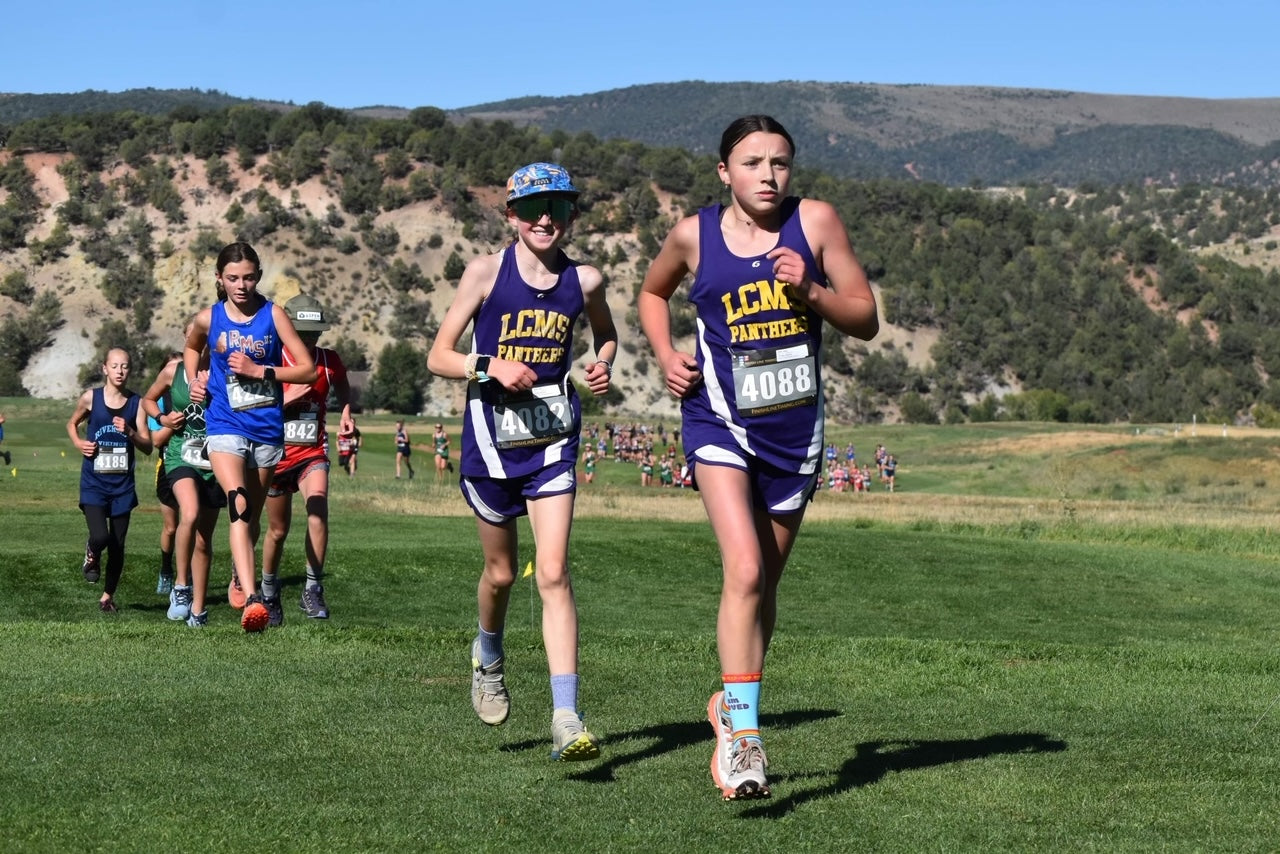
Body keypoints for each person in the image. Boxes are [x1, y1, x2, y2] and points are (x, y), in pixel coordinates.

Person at [638, 115, 878, 800]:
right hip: (718, 420)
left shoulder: (818, 224)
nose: (767, 175)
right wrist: (664, 356)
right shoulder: (694, 234)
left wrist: (812, 292)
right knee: (743, 571)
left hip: (793, 431)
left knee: (762, 587)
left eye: (779, 163)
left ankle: (729, 705)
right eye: (751, 163)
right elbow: (653, 292)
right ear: (724, 172)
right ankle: (744, 741)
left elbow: (865, 317)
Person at [427, 161, 617, 762]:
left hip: (553, 439)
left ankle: (567, 715)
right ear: (511, 215)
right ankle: (488, 652)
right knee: (504, 575)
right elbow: (439, 355)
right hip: (489, 442)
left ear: (571, 216)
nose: (545, 219)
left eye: (557, 208)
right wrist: (491, 366)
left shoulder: (585, 281)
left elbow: (606, 335)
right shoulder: (486, 272)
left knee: (555, 572)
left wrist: (601, 363)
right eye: (533, 209)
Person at [184, 242, 317, 633]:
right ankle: (255, 598)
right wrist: (196, 381)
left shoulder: (273, 315)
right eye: (232, 278)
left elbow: (307, 370)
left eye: (248, 277)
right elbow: (191, 348)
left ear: (258, 276)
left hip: (266, 429)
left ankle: (239, 574)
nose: (241, 286)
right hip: (225, 423)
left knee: (252, 517)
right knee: (238, 505)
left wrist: (262, 371)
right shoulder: (208, 319)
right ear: (219, 279)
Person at [261, 293, 352, 624]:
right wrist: (286, 399)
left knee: (318, 509)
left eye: (315, 333)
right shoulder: (272, 359)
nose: (310, 338)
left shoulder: (328, 361)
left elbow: (342, 385)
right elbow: (251, 405)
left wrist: (346, 411)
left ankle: (312, 589)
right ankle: (269, 593)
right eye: (303, 332)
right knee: (277, 530)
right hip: (275, 456)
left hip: (312, 452)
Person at [142, 326, 224, 627]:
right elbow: (148, 400)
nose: (199, 341)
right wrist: (163, 418)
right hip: (180, 456)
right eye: (194, 335)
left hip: (216, 460)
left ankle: (199, 609)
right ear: (187, 339)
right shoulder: (173, 372)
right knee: (188, 513)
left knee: (204, 540)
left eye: (205, 336)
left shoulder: (222, 371)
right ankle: (180, 587)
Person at [66, 347, 154, 612]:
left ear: (130, 370)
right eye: (114, 366)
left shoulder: (136, 404)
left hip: (122, 488)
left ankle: (107, 596)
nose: (120, 371)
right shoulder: (91, 399)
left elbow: (148, 446)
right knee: (100, 535)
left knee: (117, 545)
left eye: (125, 366)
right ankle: (92, 553)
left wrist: (130, 432)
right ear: (104, 368)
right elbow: (71, 424)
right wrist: (80, 443)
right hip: (94, 483)